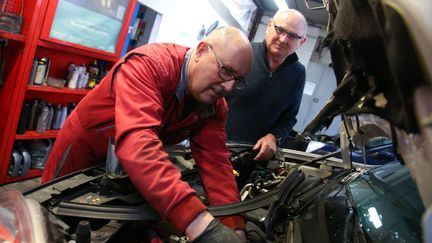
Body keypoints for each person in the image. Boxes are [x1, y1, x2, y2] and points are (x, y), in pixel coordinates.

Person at [41, 26, 253, 242]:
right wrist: (198, 222)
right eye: (226, 71)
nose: (228, 86)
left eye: (238, 79)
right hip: (85, 149)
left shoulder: (215, 107)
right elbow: (138, 141)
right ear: (200, 51)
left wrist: (234, 225)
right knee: (53, 216)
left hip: (130, 163)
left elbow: (215, 162)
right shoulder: (150, 65)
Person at [226, 9, 308, 161]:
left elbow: (289, 118)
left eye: (293, 36)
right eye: (280, 30)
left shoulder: (298, 74)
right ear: (269, 25)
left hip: (253, 158)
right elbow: (211, 98)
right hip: (213, 148)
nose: (283, 39)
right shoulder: (242, 53)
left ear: (302, 41)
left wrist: (274, 136)